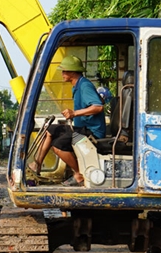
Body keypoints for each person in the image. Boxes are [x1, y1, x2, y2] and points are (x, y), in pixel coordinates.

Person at [28, 55, 106, 186]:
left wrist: (74, 113)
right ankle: (37, 165)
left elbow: (98, 106)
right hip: (81, 128)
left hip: (91, 131)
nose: (62, 74)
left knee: (58, 145)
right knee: (50, 130)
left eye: (64, 71)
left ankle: (78, 174)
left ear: (73, 72)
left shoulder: (84, 86)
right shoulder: (77, 85)